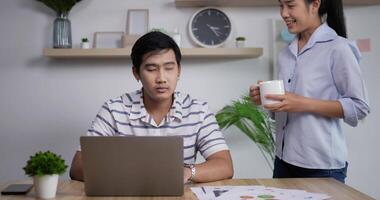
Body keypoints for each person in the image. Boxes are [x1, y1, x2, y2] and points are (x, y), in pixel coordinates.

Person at [70, 31, 233, 183]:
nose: (161, 78)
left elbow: (224, 165)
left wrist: (187, 171)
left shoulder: (199, 110)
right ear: (136, 73)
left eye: (169, 68)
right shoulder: (114, 110)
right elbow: (78, 167)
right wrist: (133, 173)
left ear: (179, 70)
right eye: (151, 69)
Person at [249, 0, 370, 183]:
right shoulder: (286, 53)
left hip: (321, 167)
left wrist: (302, 103)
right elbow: (285, 109)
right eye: (281, 6)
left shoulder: (338, 48)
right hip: (283, 161)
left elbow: (360, 106)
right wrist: (266, 99)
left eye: (290, 6)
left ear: (314, 5)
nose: (283, 13)